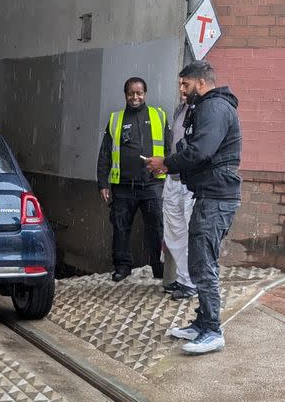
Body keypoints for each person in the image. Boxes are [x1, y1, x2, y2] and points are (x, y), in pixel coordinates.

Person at [144, 60, 242, 355]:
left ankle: (212, 330)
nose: (182, 90)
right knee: (201, 258)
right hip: (209, 194)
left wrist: (166, 164)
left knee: (203, 263)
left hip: (216, 197)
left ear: (201, 83)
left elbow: (201, 151)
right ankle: (202, 322)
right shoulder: (209, 107)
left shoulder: (214, 108)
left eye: (185, 84)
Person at [97, 77, 172, 282]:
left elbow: (169, 147)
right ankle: (122, 266)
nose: (135, 97)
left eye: (139, 93)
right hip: (123, 186)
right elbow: (104, 153)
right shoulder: (115, 119)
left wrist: (166, 166)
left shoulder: (159, 115)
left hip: (152, 184)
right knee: (121, 227)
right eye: (131, 93)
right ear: (125, 95)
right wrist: (103, 183)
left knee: (156, 227)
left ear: (145, 94)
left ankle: (159, 268)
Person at [163, 84, 197, 300]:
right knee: (174, 231)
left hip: (190, 182)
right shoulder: (178, 109)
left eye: (186, 85)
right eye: (179, 85)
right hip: (173, 177)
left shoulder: (203, 111)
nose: (182, 89)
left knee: (192, 231)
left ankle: (192, 282)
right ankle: (184, 278)